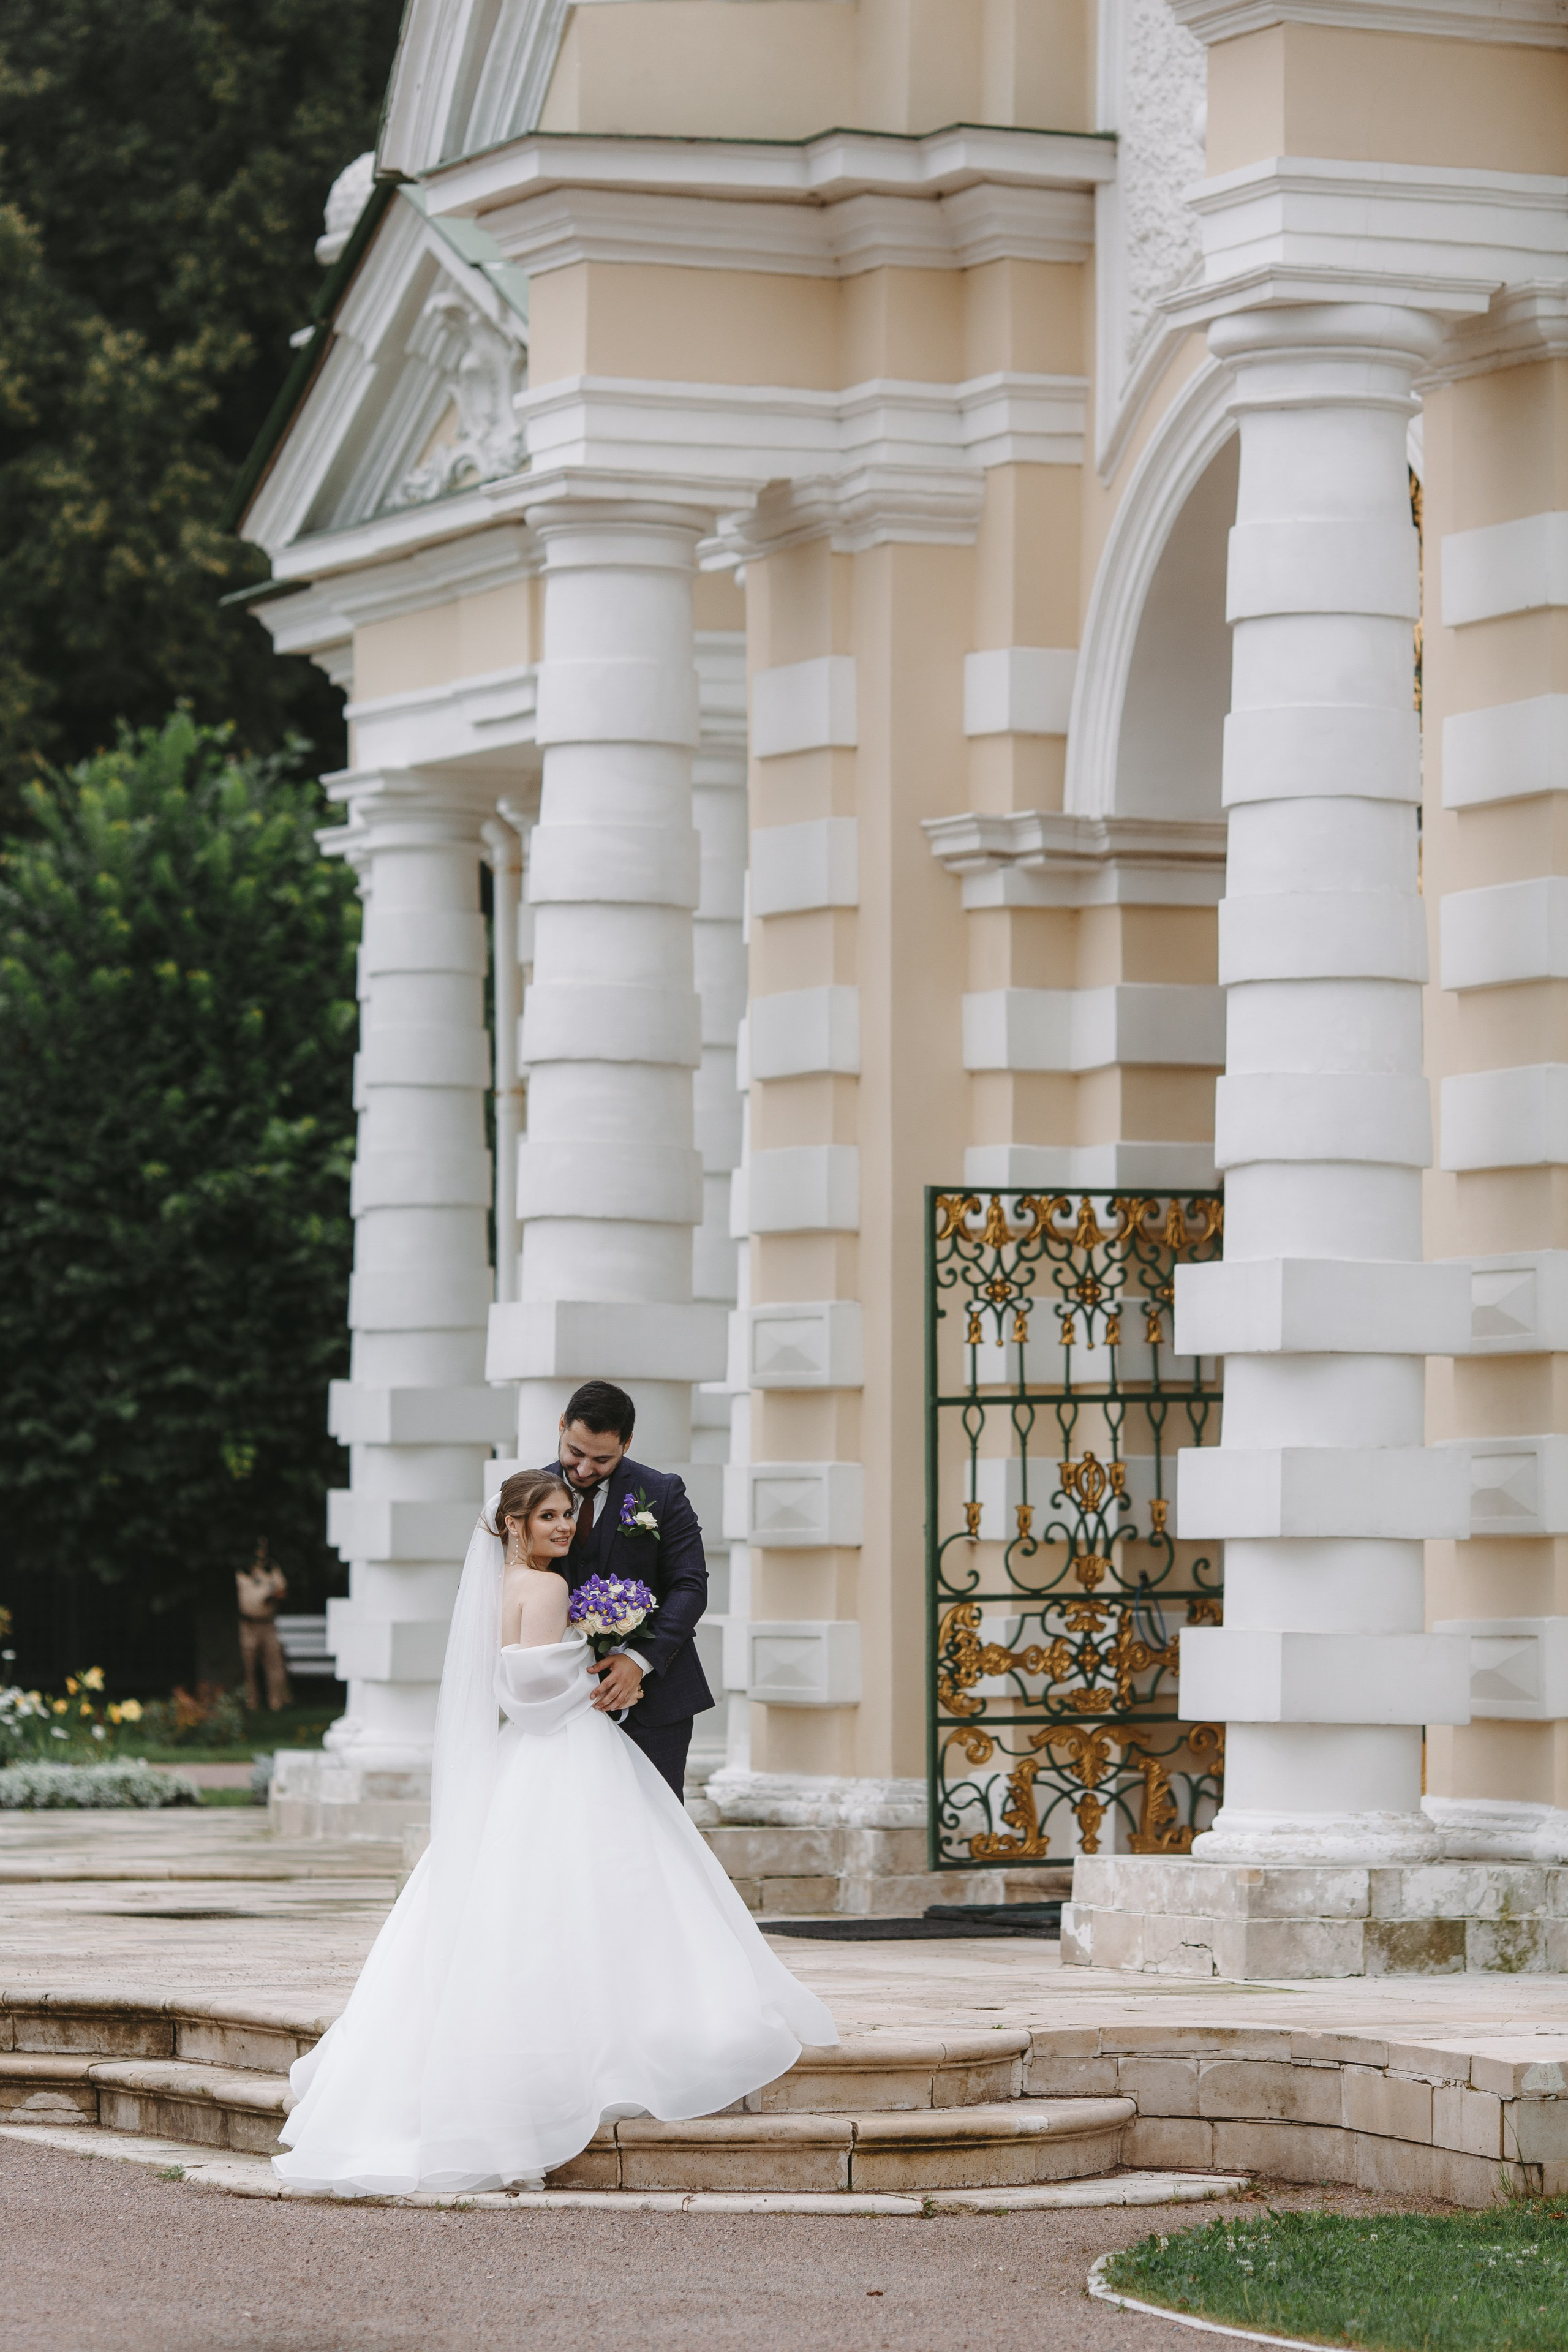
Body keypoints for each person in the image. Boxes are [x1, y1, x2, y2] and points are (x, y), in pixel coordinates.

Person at [273, 1468, 836, 2196]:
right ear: (515, 1525)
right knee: (602, 1892)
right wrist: (603, 1683)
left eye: (567, 1514)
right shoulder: (544, 1589)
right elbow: (534, 1695)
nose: (564, 1527)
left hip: (529, 1757)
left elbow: (510, 1686)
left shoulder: (503, 1587)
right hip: (565, 1747)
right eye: (548, 1517)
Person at [549, 1378, 712, 1803]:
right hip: (559, 1701)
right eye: (575, 1452)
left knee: (656, 1828)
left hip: (656, 1703)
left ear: (627, 1443)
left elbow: (690, 1587)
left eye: (602, 1459)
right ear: (562, 1425)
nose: (584, 1469)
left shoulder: (662, 1493)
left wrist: (639, 1661)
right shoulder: (526, 1494)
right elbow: (501, 1585)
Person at [235, 1540, 290, 1713]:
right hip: (247, 1624)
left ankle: (277, 1702)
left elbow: (282, 1590)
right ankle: (251, 1703)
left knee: (274, 1664)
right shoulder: (240, 1570)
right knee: (247, 1665)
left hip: (267, 1623)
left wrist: (271, 1597)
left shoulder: (270, 1569)